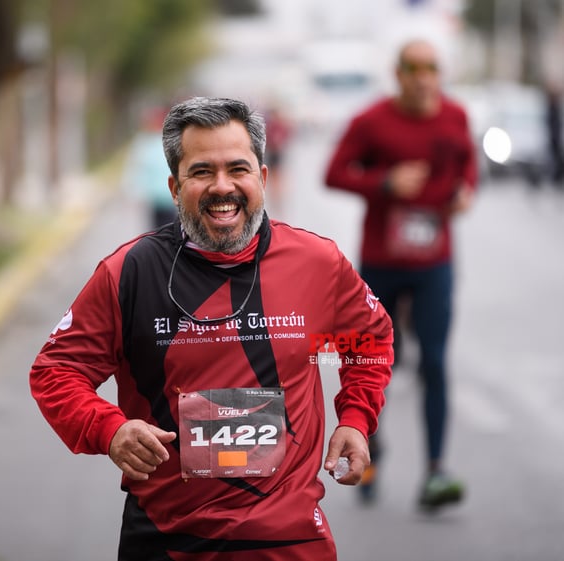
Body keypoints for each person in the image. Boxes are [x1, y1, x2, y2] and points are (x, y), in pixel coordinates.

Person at [30, 96, 393, 561]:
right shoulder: (129, 273)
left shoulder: (317, 264)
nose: (223, 187)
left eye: (238, 169)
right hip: (169, 539)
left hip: (288, 538)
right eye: (202, 172)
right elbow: (56, 371)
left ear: (261, 177)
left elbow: (365, 343)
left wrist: (357, 420)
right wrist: (108, 429)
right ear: (174, 188)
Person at [324, 38, 476, 511]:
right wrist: (384, 182)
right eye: (413, 67)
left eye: (432, 67)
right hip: (380, 263)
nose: (423, 76)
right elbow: (333, 173)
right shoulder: (370, 121)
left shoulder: (455, 116)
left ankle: (435, 470)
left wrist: (466, 191)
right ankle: (369, 449)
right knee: (371, 363)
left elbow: (469, 166)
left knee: (434, 361)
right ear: (398, 73)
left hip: (435, 260)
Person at [122, 105, 178, 229]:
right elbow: (136, 168)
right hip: (154, 198)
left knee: (172, 230)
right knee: (156, 231)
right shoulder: (143, 143)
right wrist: (133, 191)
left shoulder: (170, 140)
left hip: (170, 197)